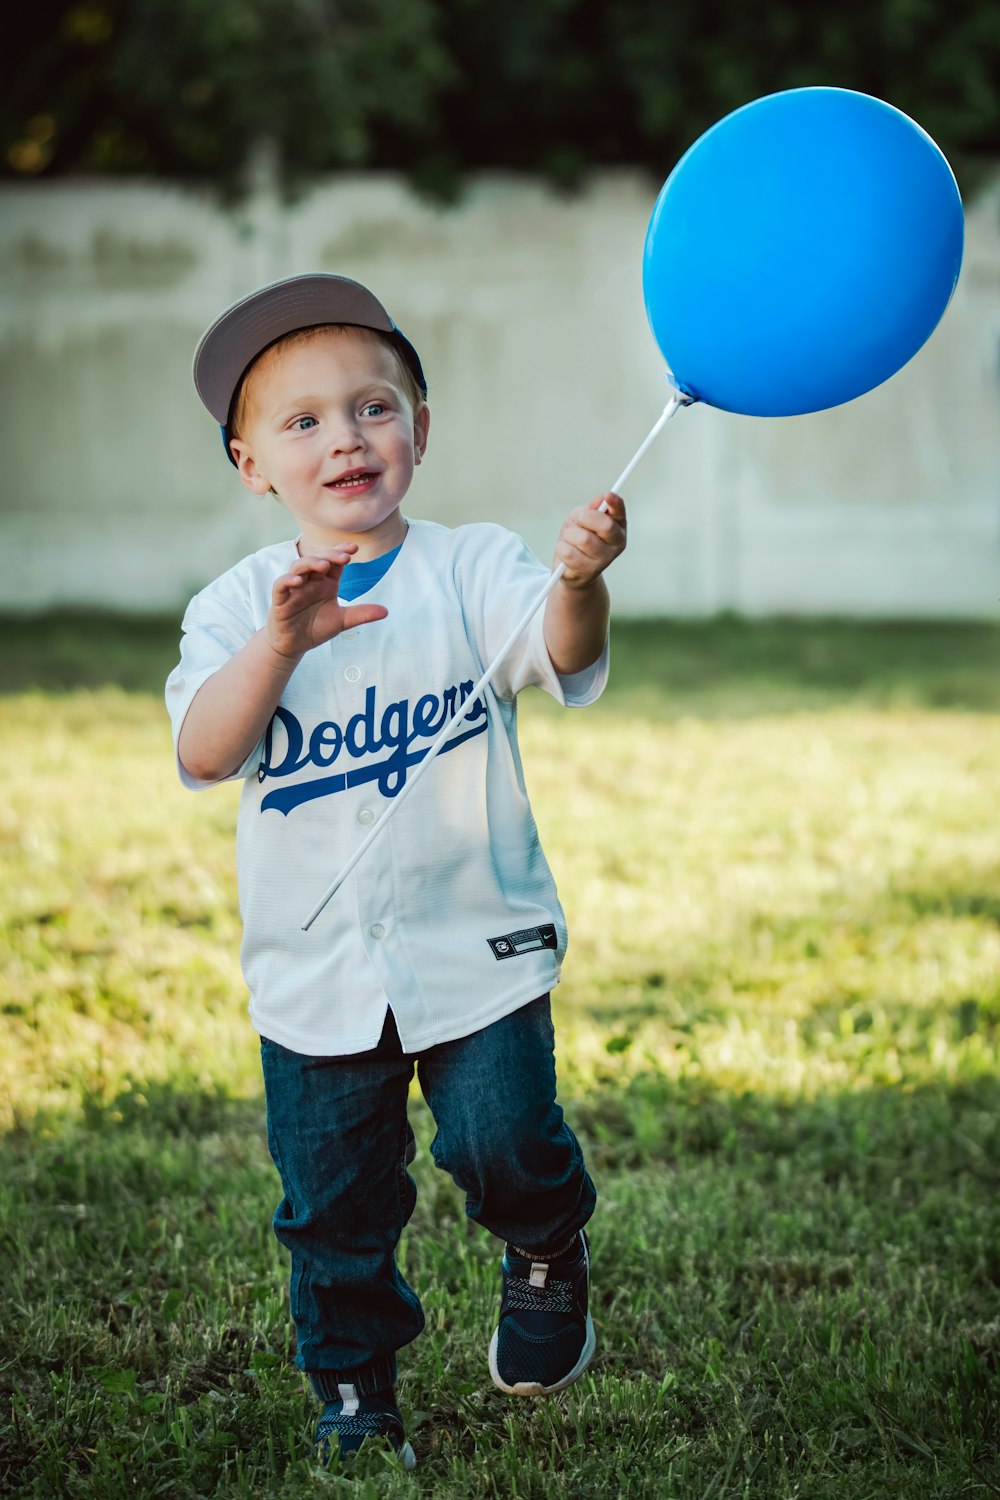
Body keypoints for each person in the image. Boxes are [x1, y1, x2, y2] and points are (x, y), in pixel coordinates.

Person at [165, 274, 627, 1469]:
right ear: (249, 462)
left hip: (474, 940)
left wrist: (578, 583)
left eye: (374, 408)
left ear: (421, 428)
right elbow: (204, 751)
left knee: (499, 1139)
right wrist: (279, 645)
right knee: (334, 1207)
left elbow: (556, 652)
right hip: (315, 972)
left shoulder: (471, 567)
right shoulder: (230, 609)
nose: (345, 439)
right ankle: (356, 1390)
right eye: (303, 422)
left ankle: (542, 1242)